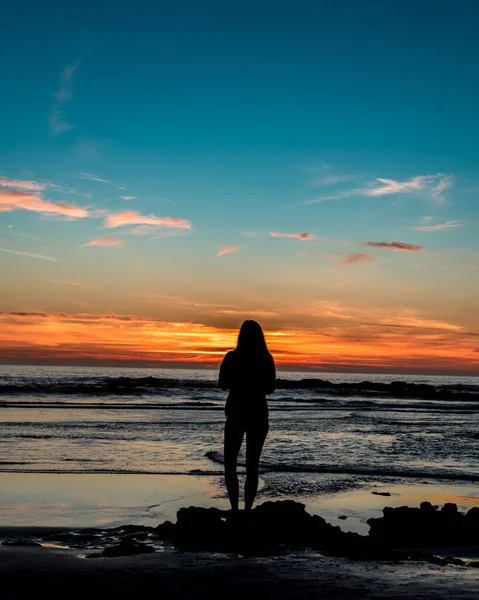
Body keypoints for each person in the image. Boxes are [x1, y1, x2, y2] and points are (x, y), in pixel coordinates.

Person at [218, 320, 276, 513]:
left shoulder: (231, 357)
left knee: (230, 463)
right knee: (253, 465)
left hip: (236, 412)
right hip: (258, 413)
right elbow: (270, 389)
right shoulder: (266, 358)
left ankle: (234, 509)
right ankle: (248, 510)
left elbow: (222, 384)